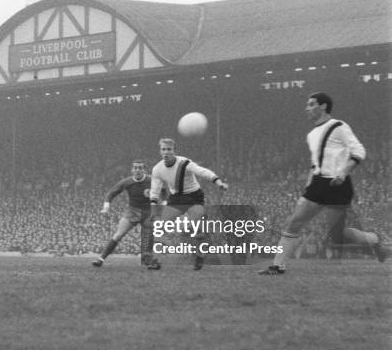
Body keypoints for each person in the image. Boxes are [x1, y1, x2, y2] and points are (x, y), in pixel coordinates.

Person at [259, 92, 386, 275]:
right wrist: (308, 186)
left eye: (311, 104)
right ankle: (277, 267)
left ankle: (374, 239)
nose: (307, 108)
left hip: (338, 185)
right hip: (317, 184)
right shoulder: (311, 134)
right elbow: (315, 164)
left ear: (323, 106)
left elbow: (359, 150)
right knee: (294, 222)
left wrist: (343, 172)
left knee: (338, 236)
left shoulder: (338, 126)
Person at [149, 138, 228, 270]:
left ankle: (199, 256)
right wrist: (153, 209)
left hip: (193, 197)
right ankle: (156, 260)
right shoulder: (157, 169)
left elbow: (202, 171)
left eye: (169, 149)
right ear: (160, 151)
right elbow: (155, 191)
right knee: (160, 227)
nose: (166, 152)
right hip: (176, 199)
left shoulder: (184, 163)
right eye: (164, 149)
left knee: (197, 229)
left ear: (174, 150)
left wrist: (218, 182)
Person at [92, 160, 160, 269]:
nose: (138, 170)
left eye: (140, 168)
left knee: (148, 237)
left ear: (144, 170)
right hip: (132, 211)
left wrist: (164, 203)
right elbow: (112, 192)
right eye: (135, 168)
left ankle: (149, 261)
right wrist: (106, 206)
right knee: (119, 234)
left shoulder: (151, 180)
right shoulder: (127, 182)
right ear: (132, 170)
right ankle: (101, 259)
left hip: (148, 212)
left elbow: (164, 190)